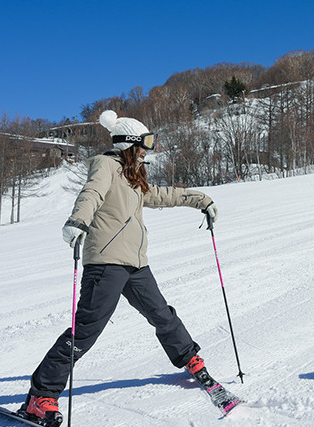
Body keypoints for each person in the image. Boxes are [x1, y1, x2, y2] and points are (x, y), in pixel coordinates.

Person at [19, 110, 219, 426]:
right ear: (129, 143)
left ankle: (189, 358)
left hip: (136, 265)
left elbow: (164, 195)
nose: (148, 149)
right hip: (106, 264)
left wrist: (202, 200)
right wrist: (78, 220)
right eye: (145, 143)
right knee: (85, 331)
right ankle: (40, 397)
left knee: (162, 315)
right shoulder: (106, 165)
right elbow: (92, 193)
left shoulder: (133, 176)